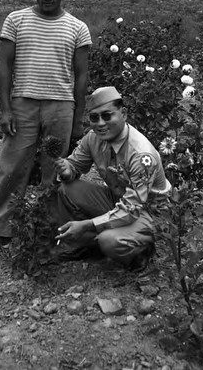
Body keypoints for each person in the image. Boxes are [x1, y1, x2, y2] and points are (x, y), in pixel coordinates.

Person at [0, 0, 92, 255]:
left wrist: (77, 120)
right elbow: (4, 67)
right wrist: (5, 109)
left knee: (54, 171)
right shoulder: (16, 20)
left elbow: (82, 76)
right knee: (11, 168)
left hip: (60, 106)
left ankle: (45, 229)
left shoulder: (78, 28)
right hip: (23, 105)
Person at [53, 86, 171, 270]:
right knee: (67, 189)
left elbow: (133, 209)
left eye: (107, 116)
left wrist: (87, 224)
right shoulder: (93, 138)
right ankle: (88, 246)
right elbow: (75, 165)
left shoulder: (140, 155)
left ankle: (141, 251)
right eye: (94, 117)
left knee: (110, 240)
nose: (100, 123)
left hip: (149, 212)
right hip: (119, 200)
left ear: (123, 114)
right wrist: (68, 170)